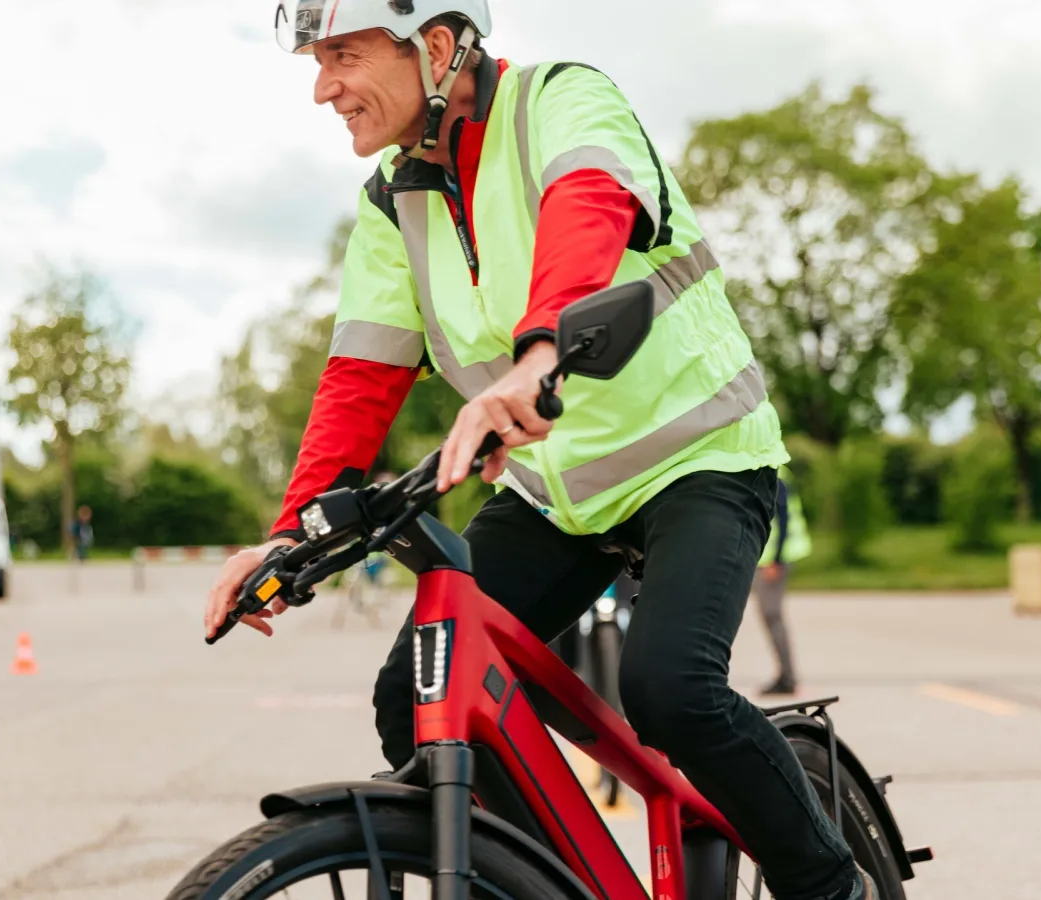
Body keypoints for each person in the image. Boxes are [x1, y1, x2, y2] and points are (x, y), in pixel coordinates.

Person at [205, 4, 873, 898]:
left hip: (697, 459)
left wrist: (539, 359)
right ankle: (550, 883)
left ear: (435, 46)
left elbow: (586, 212)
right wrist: (290, 538)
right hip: (555, 496)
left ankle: (836, 887)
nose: (324, 88)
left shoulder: (562, 102)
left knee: (670, 689)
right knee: (413, 704)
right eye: (316, 63)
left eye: (342, 56)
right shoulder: (392, 205)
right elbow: (360, 378)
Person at [756, 466, 813, 696]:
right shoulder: (775, 470)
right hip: (769, 558)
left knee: (772, 614)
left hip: (774, 560)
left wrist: (777, 560)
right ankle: (786, 675)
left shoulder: (775, 473)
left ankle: (787, 677)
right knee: (771, 616)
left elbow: (783, 516)